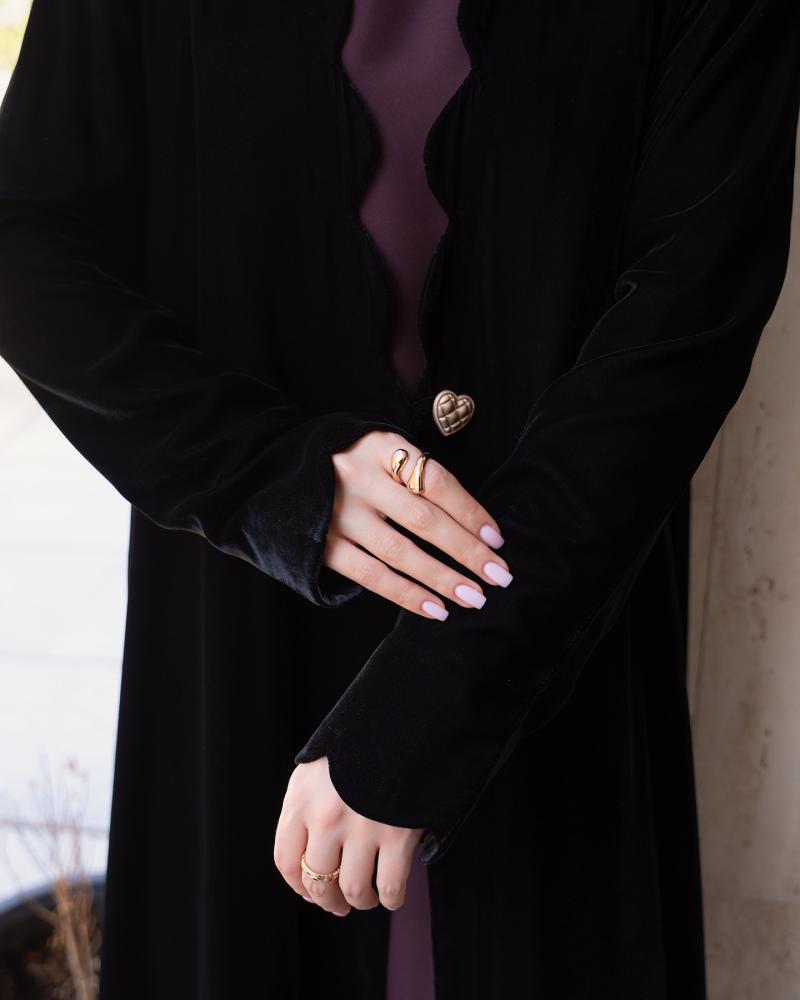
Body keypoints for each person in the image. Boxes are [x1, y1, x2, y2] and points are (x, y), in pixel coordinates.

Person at [0, 0, 798, 997]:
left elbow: (683, 329)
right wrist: (273, 481)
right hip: (244, 641)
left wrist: (431, 703)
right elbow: (27, 238)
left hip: (553, 639)